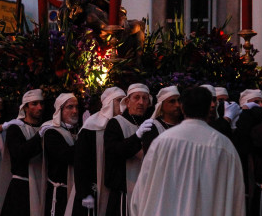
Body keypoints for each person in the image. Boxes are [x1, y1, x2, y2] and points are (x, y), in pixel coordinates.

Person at [130, 86, 245, 216]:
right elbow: (236, 196)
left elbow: (143, 187)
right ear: (209, 108)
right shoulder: (224, 146)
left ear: (183, 108)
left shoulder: (162, 142)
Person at [73, 86, 126, 216]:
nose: (123, 105)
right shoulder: (91, 126)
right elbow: (80, 161)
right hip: (93, 189)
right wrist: (85, 193)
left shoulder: (125, 125)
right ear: (109, 103)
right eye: (119, 100)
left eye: (125, 101)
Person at [104, 83, 154, 216]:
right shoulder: (115, 123)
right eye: (136, 98)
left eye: (145, 98)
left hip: (145, 191)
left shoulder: (150, 124)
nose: (141, 102)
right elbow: (115, 152)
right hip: (123, 191)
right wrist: (137, 136)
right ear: (127, 101)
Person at [1, 89, 46, 216]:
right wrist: (38, 137)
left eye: (41, 103)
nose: (40, 107)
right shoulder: (15, 128)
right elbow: (19, 154)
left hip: (41, 185)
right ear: (25, 107)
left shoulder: (45, 128)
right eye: (34, 104)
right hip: (21, 189)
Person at [42, 93, 79, 216]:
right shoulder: (51, 131)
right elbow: (67, 156)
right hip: (59, 194)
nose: (75, 111)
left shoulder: (76, 131)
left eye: (76, 107)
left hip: (75, 191)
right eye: (70, 107)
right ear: (59, 110)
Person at [140, 86, 181, 152]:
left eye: (178, 101)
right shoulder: (152, 128)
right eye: (172, 101)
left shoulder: (184, 124)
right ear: (161, 106)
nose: (177, 105)